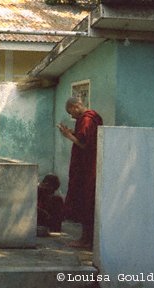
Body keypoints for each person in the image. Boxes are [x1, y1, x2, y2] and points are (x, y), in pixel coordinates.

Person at [57, 97, 103, 248]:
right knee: (87, 202)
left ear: (76, 106)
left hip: (87, 168)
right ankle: (87, 239)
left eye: (71, 112)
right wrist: (72, 133)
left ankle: (86, 240)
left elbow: (84, 145)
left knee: (87, 202)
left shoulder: (88, 120)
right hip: (88, 166)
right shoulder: (90, 118)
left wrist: (68, 136)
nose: (72, 116)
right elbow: (83, 138)